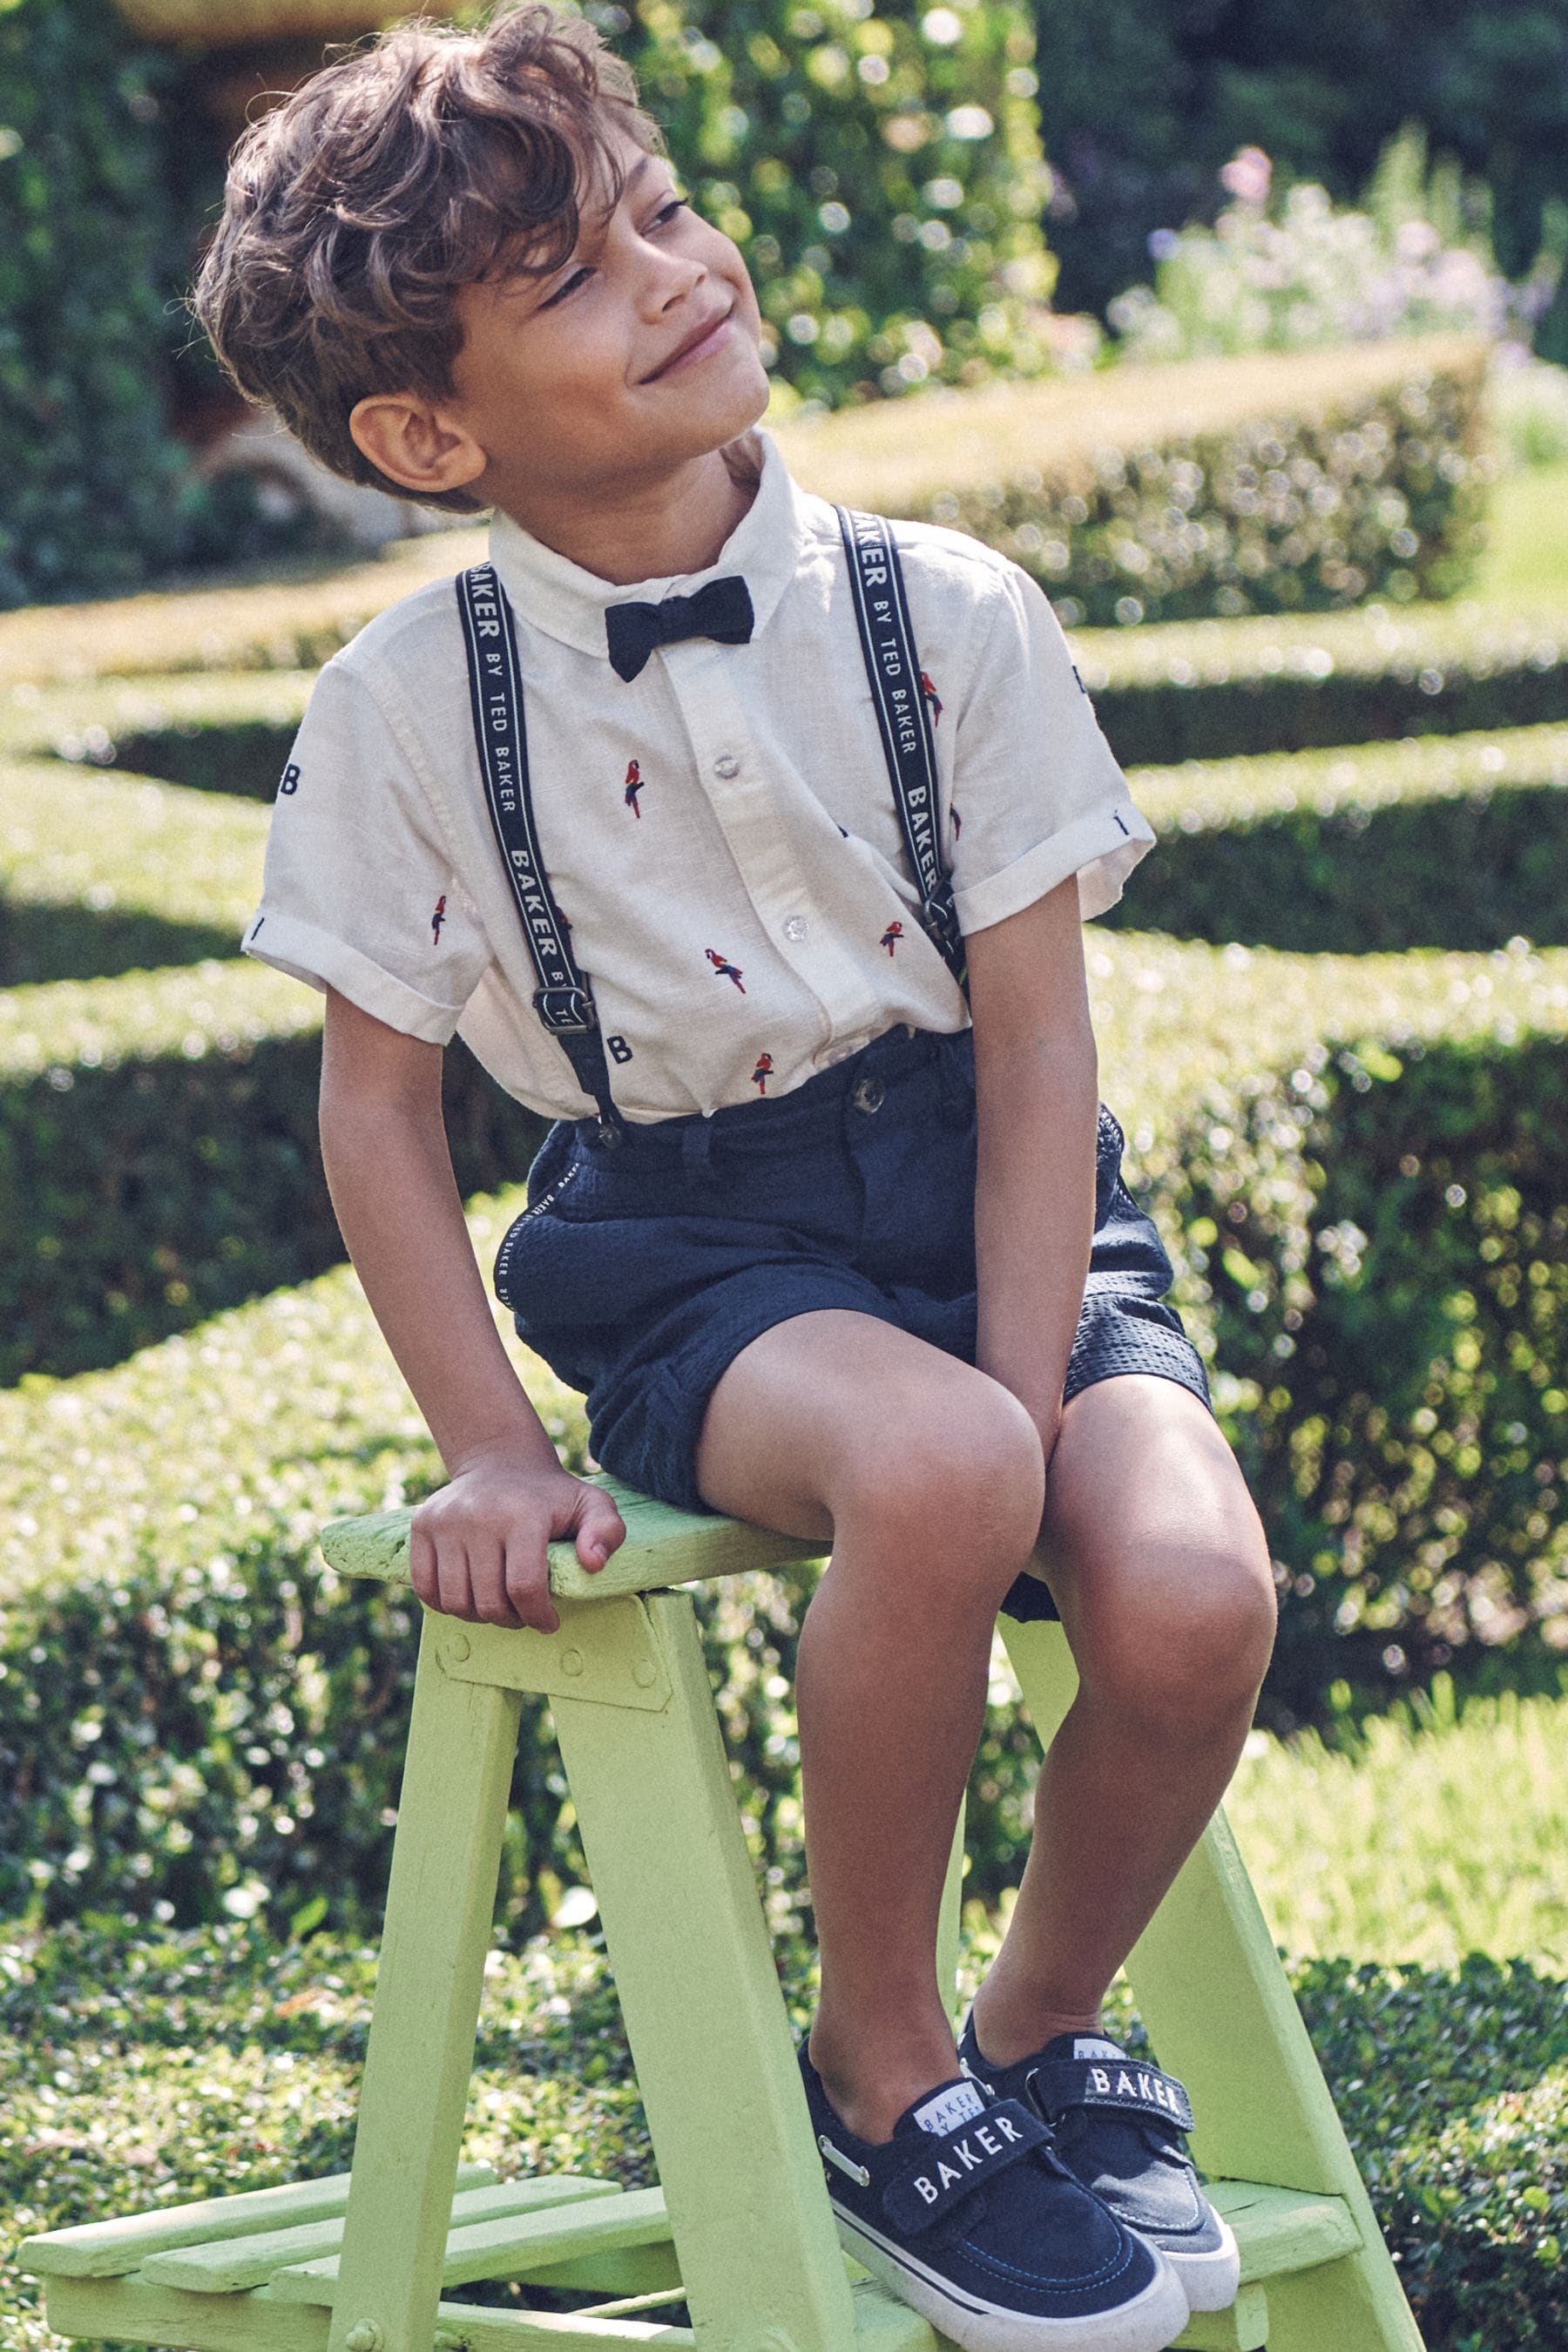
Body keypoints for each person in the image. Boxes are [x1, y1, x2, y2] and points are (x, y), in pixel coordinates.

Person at [194, 11, 1276, 2349]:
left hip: (1007, 1204)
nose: (678, 269)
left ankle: (1032, 2032)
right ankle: (873, 2074)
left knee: (1194, 1599)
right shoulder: (404, 708)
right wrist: (486, 1439)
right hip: (698, 1244)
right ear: (430, 429)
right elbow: (380, 1112)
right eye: (579, 271)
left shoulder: (953, 613)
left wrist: (1017, 1402)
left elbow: (1039, 1052)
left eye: (661, 206)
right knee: (936, 1453)